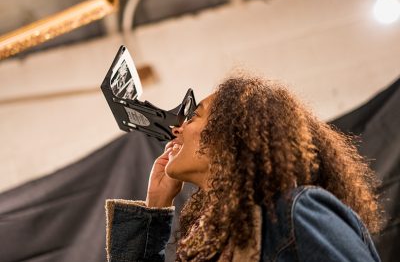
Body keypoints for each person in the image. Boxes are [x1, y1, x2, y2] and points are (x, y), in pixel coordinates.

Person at [105, 75, 382, 262]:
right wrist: (155, 207)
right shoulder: (211, 244)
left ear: (233, 134)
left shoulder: (293, 213)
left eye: (195, 116)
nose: (177, 128)